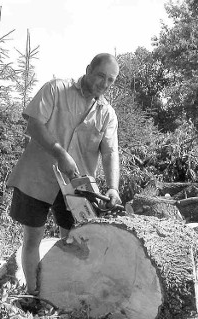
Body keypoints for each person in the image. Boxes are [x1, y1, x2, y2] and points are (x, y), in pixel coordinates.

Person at [7, 52, 121, 300]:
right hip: (37, 176)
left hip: (76, 187)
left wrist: (113, 188)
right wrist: (59, 153)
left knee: (74, 240)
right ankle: (34, 294)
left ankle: (64, 296)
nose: (104, 83)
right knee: (32, 238)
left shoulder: (107, 113)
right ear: (88, 68)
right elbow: (34, 125)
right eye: (101, 75)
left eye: (110, 80)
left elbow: (111, 152)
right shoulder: (56, 89)